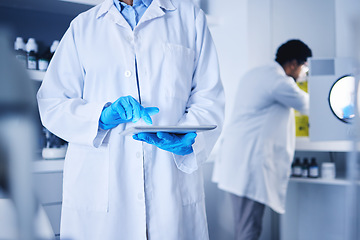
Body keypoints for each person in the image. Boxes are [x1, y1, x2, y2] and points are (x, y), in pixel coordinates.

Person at [37, 0, 224, 239]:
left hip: (170, 185)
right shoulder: (83, 26)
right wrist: (100, 117)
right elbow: (52, 102)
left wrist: (192, 140)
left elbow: (210, 97)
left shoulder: (190, 19)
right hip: (102, 193)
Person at [212, 39, 312, 240]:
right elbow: (309, 104)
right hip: (248, 164)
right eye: (305, 68)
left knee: (245, 227)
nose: (304, 74)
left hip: (238, 160)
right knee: (249, 229)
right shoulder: (278, 81)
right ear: (293, 64)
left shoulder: (257, 73)